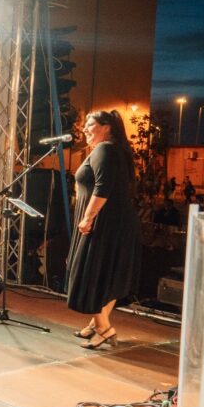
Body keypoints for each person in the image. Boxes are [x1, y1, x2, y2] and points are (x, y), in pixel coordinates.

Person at [66, 110, 141, 350]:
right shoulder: (115, 151)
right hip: (116, 222)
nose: (84, 129)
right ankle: (96, 323)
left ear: (106, 127)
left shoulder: (104, 150)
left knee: (92, 272)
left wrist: (88, 218)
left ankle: (104, 328)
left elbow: (103, 187)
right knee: (108, 273)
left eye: (90, 124)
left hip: (104, 223)